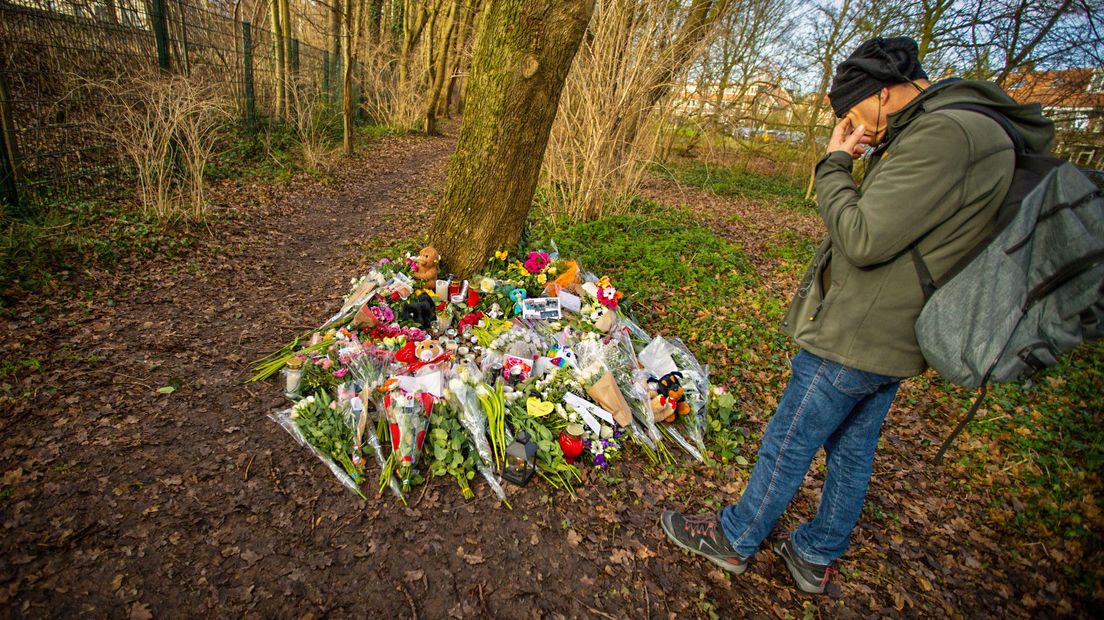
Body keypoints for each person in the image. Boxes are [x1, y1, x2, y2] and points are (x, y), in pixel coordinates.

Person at [660, 37, 1055, 594]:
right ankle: (816, 552)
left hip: (859, 328)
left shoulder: (943, 135)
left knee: (790, 436)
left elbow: (863, 237)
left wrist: (836, 163)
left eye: (854, 112)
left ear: (885, 92)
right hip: (896, 332)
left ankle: (735, 537)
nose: (855, 125)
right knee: (852, 450)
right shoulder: (974, 128)